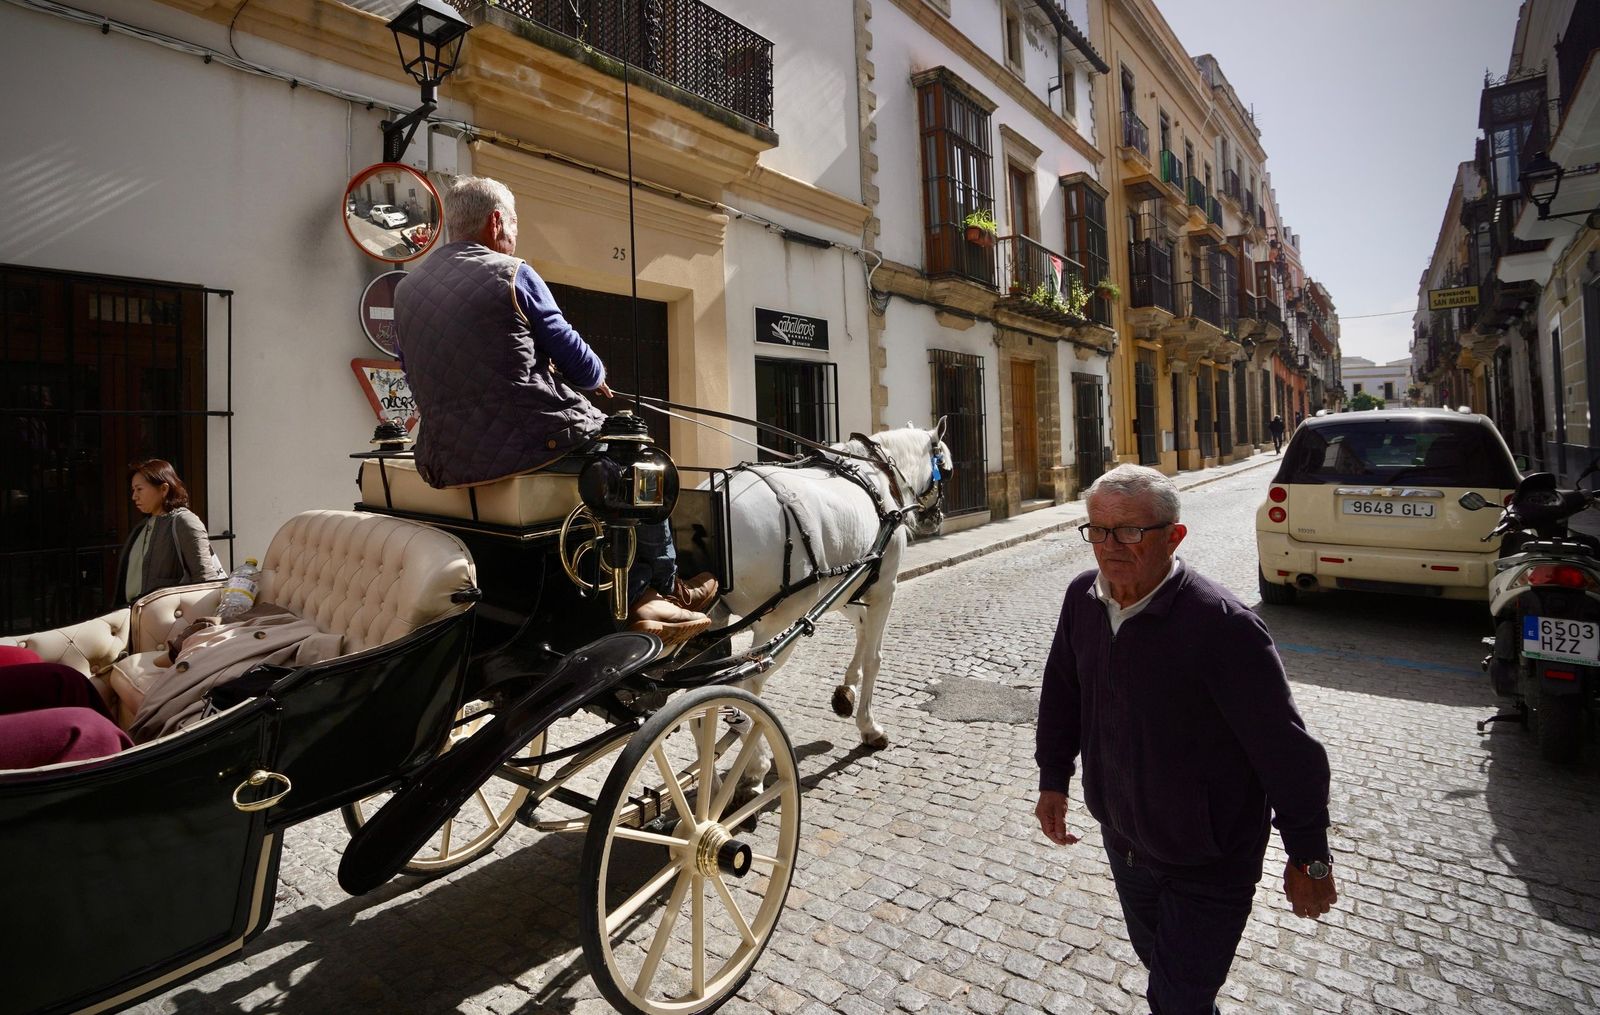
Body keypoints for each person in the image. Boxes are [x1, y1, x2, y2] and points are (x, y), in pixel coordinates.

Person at [1034, 465, 1334, 1015]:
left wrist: (1309, 856)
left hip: (1208, 858)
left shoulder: (1222, 625)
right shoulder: (1083, 598)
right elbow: (1062, 693)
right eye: (1097, 530)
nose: (1109, 545)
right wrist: (1054, 779)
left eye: (1129, 531)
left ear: (1174, 535)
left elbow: (1288, 753)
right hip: (1124, 843)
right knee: (1164, 972)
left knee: (1176, 1000)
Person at [394, 176, 716, 645]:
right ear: (496, 221)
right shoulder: (511, 273)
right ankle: (657, 590)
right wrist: (597, 377)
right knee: (640, 459)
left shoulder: (406, 289)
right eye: (515, 225)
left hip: (442, 455)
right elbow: (576, 359)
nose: (515, 237)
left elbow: (411, 368)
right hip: (531, 438)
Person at [113, 459, 225, 607]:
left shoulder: (184, 521)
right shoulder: (141, 528)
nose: (134, 496)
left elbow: (205, 579)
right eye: (133, 490)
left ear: (164, 489)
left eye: (139, 489)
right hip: (135, 616)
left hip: (171, 621)